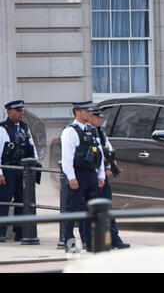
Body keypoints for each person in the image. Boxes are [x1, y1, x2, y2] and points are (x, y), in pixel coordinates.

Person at [79, 106, 130, 249]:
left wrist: (108, 167)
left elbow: (108, 150)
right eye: (97, 116)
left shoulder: (99, 131)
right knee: (88, 209)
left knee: (107, 207)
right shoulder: (83, 130)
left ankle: (113, 238)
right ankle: (87, 240)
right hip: (89, 175)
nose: (100, 119)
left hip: (101, 175)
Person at [61, 101, 105, 252]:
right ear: (78, 112)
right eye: (87, 111)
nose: (90, 114)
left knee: (92, 210)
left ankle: (89, 241)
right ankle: (69, 242)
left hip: (91, 173)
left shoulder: (92, 130)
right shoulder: (70, 131)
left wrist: (101, 175)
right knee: (71, 210)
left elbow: (99, 154)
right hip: (77, 174)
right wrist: (71, 177)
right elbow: (67, 157)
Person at [0, 100, 39, 242]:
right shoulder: (3, 128)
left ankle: (21, 232)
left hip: (23, 169)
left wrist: (35, 164)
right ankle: (1, 233)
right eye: (18, 111)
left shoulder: (24, 128)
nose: (21, 113)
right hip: (8, 169)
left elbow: (31, 146)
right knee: (4, 202)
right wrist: (0, 173)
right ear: (10, 112)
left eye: (22, 110)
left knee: (22, 201)